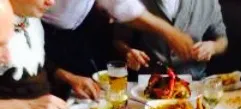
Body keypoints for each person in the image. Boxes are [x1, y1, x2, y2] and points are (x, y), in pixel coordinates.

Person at [0, 0, 101, 109]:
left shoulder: (31, 17)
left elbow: (36, 59)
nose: (51, 2)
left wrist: (68, 77)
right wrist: (30, 107)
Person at [42, 0, 195, 77]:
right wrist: (169, 32)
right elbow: (121, 6)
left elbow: (120, 6)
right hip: (48, 31)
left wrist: (169, 32)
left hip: (82, 31)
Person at [114, 0, 228, 80]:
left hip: (194, 82)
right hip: (149, 83)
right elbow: (118, 39)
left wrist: (213, 47)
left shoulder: (208, 2)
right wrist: (128, 52)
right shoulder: (132, 2)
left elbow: (222, 40)